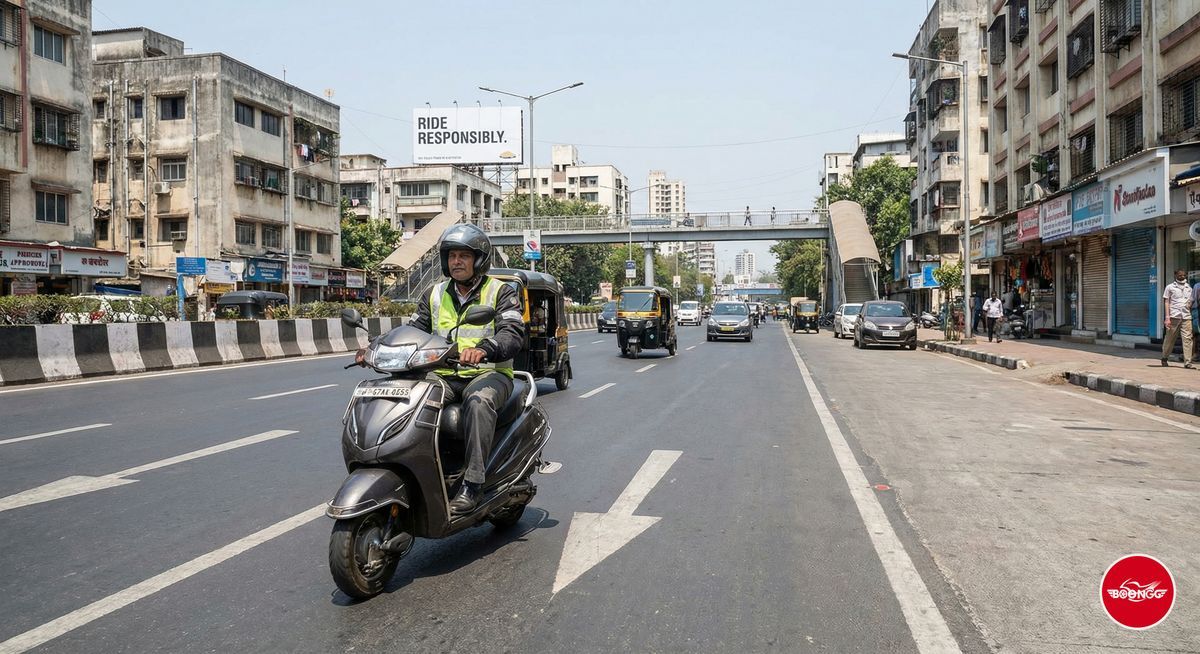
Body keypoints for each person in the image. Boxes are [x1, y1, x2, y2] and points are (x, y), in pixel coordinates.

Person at [365, 223, 525, 513]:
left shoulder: (501, 292)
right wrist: (377, 345)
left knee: (478, 403)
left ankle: (473, 483)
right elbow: (414, 330)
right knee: (410, 399)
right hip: (444, 375)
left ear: (479, 260)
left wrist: (485, 349)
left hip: (488, 374)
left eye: (464, 256)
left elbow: (512, 333)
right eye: (452, 256)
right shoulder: (434, 293)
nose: (457, 262)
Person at [1161, 269, 1194, 369]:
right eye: (1180, 275)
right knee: (1169, 339)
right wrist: (1167, 318)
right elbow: (1166, 301)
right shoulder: (1170, 287)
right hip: (1173, 316)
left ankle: (1187, 362)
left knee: (1188, 339)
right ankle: (1164, 357)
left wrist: (1189, 304)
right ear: (1175, 275)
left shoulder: (1189, 288)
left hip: (1186, 317)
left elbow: (1191, 300)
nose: (1182, 277)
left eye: (1184, 275)